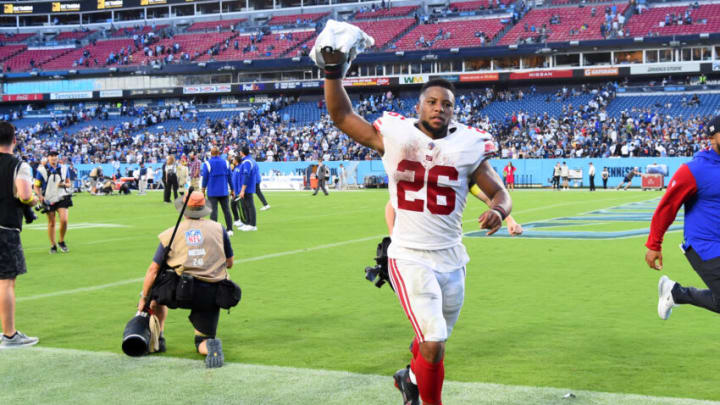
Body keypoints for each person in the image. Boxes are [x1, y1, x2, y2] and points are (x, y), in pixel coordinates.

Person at [313, 23, 511, 405]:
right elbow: (342, 117)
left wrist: (500, 211)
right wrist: (333, 73)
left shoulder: (469, 145)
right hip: (409, 256)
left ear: (455, 110)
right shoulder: (396, 134)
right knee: (433, 340)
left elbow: (497, 191)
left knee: (431, 340)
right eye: (433, 102)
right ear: (418, 105)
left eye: (447, 104)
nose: (440, 108)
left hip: (452, 257)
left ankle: (409, 378)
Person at [137, 191, 234, 367]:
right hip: (211, 292)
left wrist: (144, 298)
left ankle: (158, 338)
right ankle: (210, 346)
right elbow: (229, 263)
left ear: (184, 210)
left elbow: (153, 270)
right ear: (204, 209)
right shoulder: (219, 229)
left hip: (181, 291)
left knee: (155, 296)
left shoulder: (171, 233)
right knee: (202, 340)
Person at [646, 116, 720, 322]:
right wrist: (654, 244)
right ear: (712, 138)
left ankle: (675, 293)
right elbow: (667, 207)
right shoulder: (694, 170)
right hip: (705, 246)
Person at [0, 121, 39, 349]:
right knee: (6, 281)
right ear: (14, 140)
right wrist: (32, 200)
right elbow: (25, 194)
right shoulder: (19, 165)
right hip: (5, 227)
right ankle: (10, 334)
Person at [34, 150, 73, 254]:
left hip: (62, 196)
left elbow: (69, 184)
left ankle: (61, 241)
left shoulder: (64, 168)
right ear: (48, 158)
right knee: (52, 223)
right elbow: (36, 186)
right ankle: (53, 245)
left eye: (55, 156)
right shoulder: (41, 170)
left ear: (58, 157)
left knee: (64, 220)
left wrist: (63, 185)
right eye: (51, 156)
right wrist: (40, 196)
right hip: (48, 198)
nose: (54, 158)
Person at [202, 147, 233, 236]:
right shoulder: (226, 163)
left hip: (212, 192)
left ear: (211, 153)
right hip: (223, 191)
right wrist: (233, 189)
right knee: (226, 210)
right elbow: (230, 178)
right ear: (219, 153)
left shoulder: (207, 163)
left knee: (213, 211)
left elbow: (205, 178)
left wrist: (203, 190)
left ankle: (213, 231)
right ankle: (230, 229)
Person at [234, 147, 258, 232]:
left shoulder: (247, 162)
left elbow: (246, 175)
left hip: (247, 187)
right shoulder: (248, 160)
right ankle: (248, 223)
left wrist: (243, 189)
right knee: (246, 205)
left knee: (250, 205)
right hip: (246, 187)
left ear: (242, 152)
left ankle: (252, 224)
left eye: (240, 151)